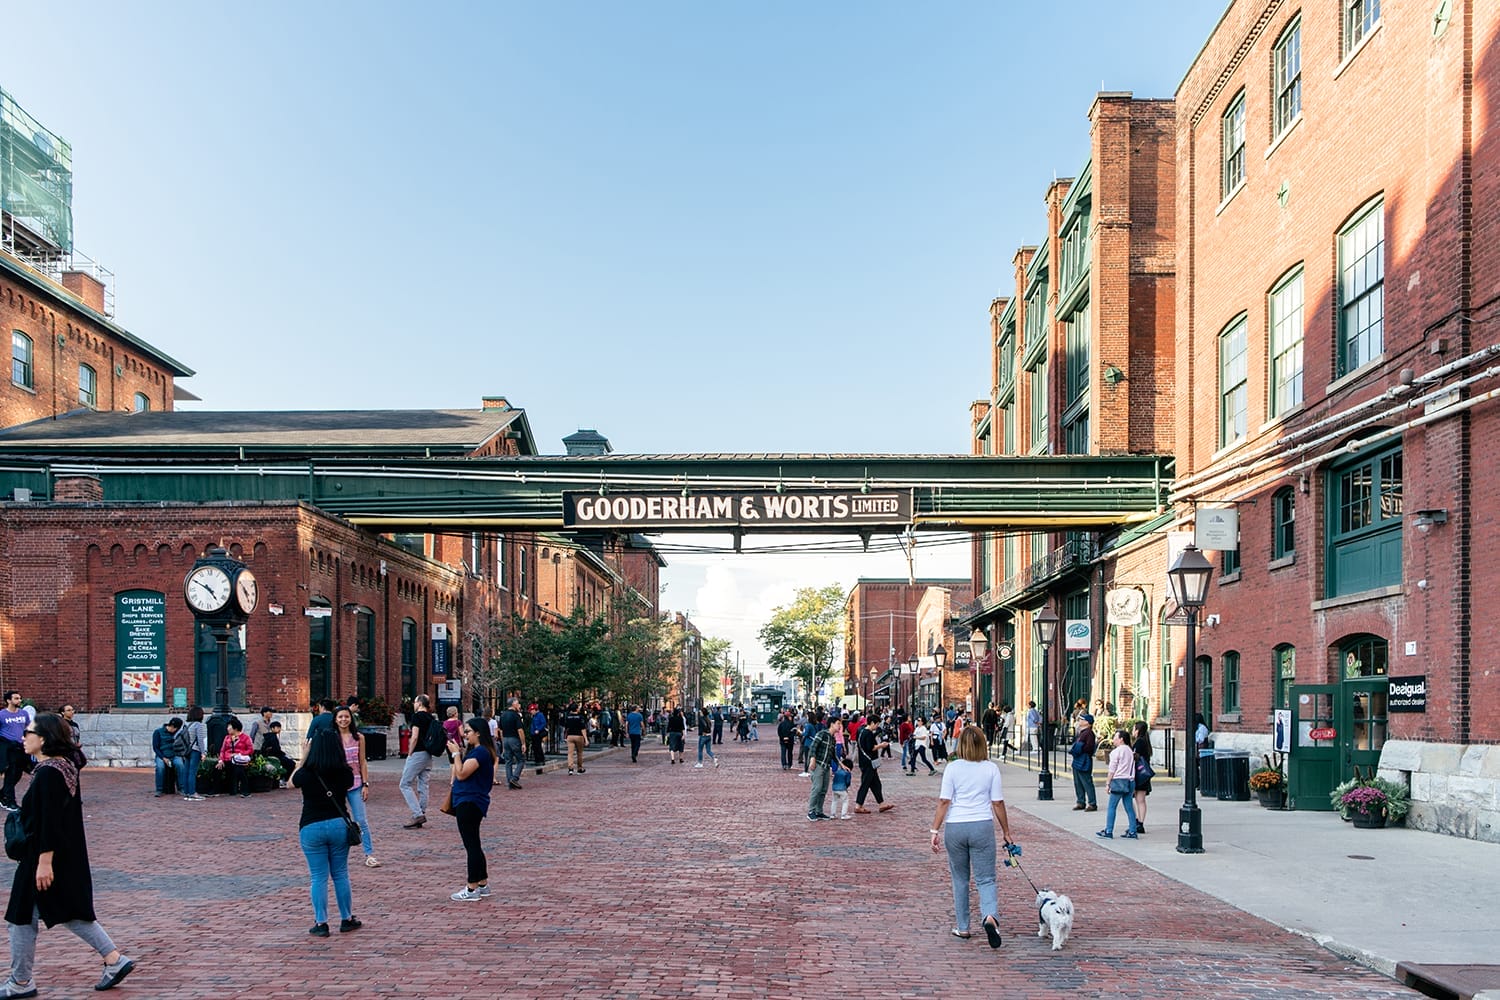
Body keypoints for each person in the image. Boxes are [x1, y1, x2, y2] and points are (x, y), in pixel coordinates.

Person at [4, 712, 135, 995]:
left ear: (44, 738)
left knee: (21, 916)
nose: (24, 736)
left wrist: (44, 862)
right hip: (59, 856)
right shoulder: (61, 768)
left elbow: (50, 821)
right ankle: (114, 959)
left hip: (43, 857)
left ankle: (21, 982)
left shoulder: (50, 773)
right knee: (68, 912)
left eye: (29, 732)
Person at [929, 726, 1016, 949]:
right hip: (982, 825)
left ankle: (963, 926)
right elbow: (997, 802)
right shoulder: (991, 769)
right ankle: (989, 916)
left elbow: (944, 801)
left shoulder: (953, 768)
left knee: (960, 878)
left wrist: (934, 830)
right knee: (986, 878)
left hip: (956, 825)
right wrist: (1006, 831)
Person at [290, 727, 360, 937]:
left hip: (311, 826)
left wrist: (303, 757)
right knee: (340, 874)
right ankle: (346, 918)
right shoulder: (344, 772)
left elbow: (290, 783)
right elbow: (349, 785)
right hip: (338, 824)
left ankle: (321, 923)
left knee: (318, 877)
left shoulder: (307, 771)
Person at [447, 718, 496, 901]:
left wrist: (455, 755)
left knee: (471, 845)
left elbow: (461, 773)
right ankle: (482, 883)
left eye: (468, 732)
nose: (465, 735)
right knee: (474, 843)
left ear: (478, 733)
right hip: (472, 801)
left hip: (469, 801)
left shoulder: (480, 752)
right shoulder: (481, 752)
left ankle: (471, 888)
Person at [333, 706, 379, 867]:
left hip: (356, 783)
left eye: (346, 716)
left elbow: (363, 762)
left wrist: (366, 784)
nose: (343, 720)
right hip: (337, 785)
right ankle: (337, 855)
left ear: (351, 718)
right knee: (338, 821)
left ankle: (369, 854)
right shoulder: (332, 738)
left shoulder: (359, 737)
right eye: (340, 717)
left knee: (361, 820)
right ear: (335, 719)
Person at [1096, 728, 1140, 840]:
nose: (1113, 740)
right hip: (1130, 781)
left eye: (1115, 737)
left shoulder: (1116, 752)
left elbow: (1112, 770)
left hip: (1119, 780)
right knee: (1129, 807)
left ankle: (1108, 830)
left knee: (1112, 807)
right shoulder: (1130, 751)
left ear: (1121, 739)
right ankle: (1132, 830)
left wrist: (1107, 783)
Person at [400, 694, 435, 828]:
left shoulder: (417, 717)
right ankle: (421, 811)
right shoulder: (431, 717)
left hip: (418, 753)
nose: (414, 704)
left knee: (404, 784)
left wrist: (409, 752)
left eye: (415, 702)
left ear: (420, 703)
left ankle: (417, 814)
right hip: (428, 754)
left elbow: (414, 737)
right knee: (423, 784)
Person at [1, 692, 36, 809]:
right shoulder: (2, 715)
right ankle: (10, 801)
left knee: (19, 773)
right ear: (8, 701)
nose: (19, 700)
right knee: (10, 774)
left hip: (22, 747)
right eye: (16, 698)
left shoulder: (23, 713)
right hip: (9, 748)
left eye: (20, 698)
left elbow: (28, 727)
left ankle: (2, 794)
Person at [853, 716, 893, 815]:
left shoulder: (861, 730)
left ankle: (881, 804)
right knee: (865, 784)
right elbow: (871, 747)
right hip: (869, 762)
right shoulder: (868, 733)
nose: (877, 726)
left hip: (865, 761)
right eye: (877, 724)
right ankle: (858, 805)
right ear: (872, 723)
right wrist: (881, 745)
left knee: (876, 784)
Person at [804, 714, 834, 822]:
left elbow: (832, 754)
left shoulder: (832, 738)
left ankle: (819, 811)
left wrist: (841, 764)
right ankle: (811, 811)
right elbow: (813, 746)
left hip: (826, 765)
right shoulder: (822, 734)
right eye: (838, 724)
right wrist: (812, 759)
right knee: (817, 788)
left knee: (823, 789)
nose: (840, 726)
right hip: (818, 764)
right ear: (832, 724)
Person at [216, 717, 254, 798]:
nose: (227, 728)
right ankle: (215, 790)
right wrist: (221, 760)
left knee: (239, 770)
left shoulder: (245, 738)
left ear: (235, 728)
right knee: (217, 768)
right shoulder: (227, 738)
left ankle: (245, 791)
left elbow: (250, 750)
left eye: (229, 727)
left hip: (238, 760)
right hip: (227, 760)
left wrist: (238, 753)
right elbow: (222, 750)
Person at [151, 718, 186, 798]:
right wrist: (163, 758)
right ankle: (159, 789)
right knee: (160, 767)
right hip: (162, 755)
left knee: (180, 765)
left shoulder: (177, 734)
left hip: (175, 755)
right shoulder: (158, 732)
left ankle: (182, 788)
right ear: (173, 727)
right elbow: (155, 747)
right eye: (176, 729)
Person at [1069, 713, 1098, 812]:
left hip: (1084, 758)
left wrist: (1079, 747)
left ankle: (1092, 803)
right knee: (1078, 782)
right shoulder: (1082, 732)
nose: (1080, 721)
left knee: (1086, 781)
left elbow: (1090, 748)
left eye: (1082, 720)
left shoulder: (1089, 733)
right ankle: (1080, 801)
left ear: (1088, 723)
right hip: (1078, 758)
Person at [181, 706, 209, 800]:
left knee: (186, 771)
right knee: (193, 772)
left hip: (186, 750)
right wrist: (203, 752)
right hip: (195, 750)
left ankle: (186, 792)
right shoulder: (199, 725)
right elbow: (200, 740)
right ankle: (192, 792)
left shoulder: (186, 724)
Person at [497, 698, 525, 790]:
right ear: (513, 704)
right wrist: (523, 743)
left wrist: (503, 740)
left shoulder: (503, 715)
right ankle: (514, 778)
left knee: (508, 761)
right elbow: (520, 730)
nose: (519, 705)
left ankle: (509, 780)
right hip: (514, 739)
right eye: (517, 703)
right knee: (520, 760)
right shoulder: (515, 715)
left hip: (505, 738)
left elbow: (500, 730)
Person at [1131, 720, 1153, 834]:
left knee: (1132, 799)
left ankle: (1137, 821)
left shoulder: (1139, 743)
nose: (1132, 731)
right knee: (1141, 800)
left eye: (1133, 729)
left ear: (1137, 730)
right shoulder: (1146, 741)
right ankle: (1140, 822)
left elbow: (1134, 757)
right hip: (1143, 775)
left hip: (1138, 774)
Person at [261, 722, 296, 787]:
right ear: (272, 728)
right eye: (277, 727)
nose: (279, 729)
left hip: (272, 755)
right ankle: (284, 780)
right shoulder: (273, 737)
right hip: (276, 756)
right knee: (292, 764)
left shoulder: (267, 736)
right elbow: (276, 749)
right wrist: (283, 754)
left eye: (280, 728)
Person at [562, 703, 588, 774]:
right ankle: (579, 768)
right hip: (579, 736)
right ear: (576, 709)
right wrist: (586, 739)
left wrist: (565, 736)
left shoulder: (568, 717)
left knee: (570, 753)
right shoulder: (580, 717)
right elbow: (583, 728)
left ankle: (570, 768)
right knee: (579, 753)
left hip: (570, 736)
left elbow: (566, 727)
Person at [828, 749, 853, 820]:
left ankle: (832, 814)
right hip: (842, 788)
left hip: (834, 788)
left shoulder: (837, 771)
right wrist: (846, 788)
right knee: (845, 800)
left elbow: (834, 779)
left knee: (834, 800)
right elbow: (848, 782)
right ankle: (843, 814)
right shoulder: (847, 773)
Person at [1195, 712, 1215, 796]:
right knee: (1195, 767)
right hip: (1196, 749)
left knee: (1202, 767)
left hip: (1202, 750)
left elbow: (1201, 739)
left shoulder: (1202, 728)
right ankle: (1196, 783)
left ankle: (1202, 783)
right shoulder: (1197, 727)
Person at [529, 704, 548, 774]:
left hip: (538, 733)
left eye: (532, 710)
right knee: (535, 747)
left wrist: (538, 729)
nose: (531, 712)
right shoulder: (533, 716)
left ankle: (541, 759)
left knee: (538, 746)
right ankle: (537, 759)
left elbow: (543, 723)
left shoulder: (540, 715)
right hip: (534, 733)